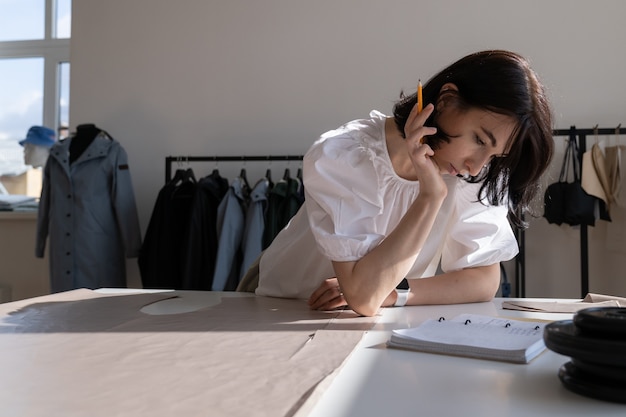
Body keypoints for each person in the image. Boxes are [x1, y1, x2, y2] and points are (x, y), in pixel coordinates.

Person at [246, 50, 554, 317]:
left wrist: (395, 294)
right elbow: (365, 297)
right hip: (275, 304)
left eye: (494, 154)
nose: (476, 166)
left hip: (359, 322)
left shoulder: (472, 175)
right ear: (446, 101)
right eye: (478, 140)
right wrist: (430, 196)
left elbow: (485, 280)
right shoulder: (346, 155)